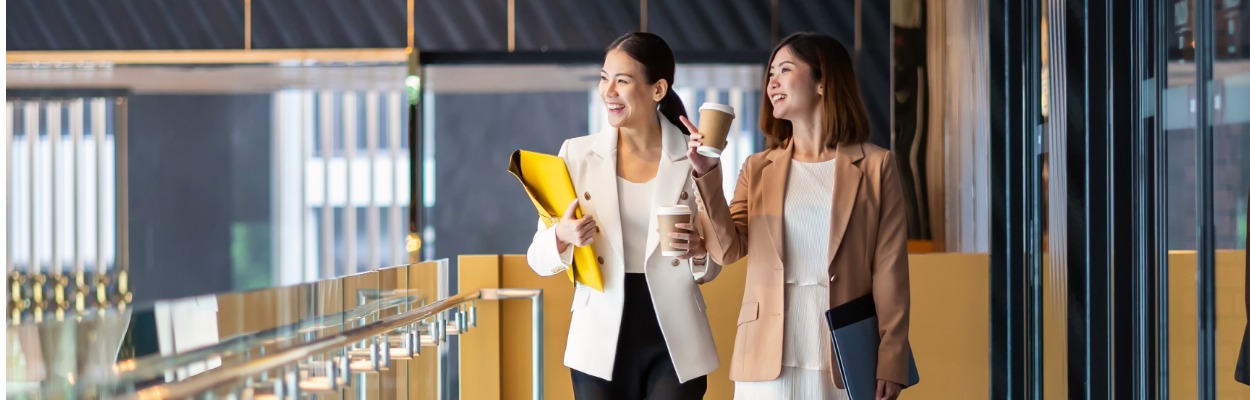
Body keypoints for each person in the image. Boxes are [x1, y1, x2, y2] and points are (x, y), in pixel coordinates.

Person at [683, 32, 912, 400]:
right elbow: (726, 251)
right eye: (770, 73)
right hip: (766, 357)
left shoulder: (875, 166)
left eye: (785, 70)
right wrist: (707, 172)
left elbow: (890, 271)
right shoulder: (758, 168)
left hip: (845, 356)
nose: (772, 81)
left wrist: (892, 357)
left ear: (823, 83)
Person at [526, 32, 720, 400]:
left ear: (657, 89)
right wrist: (562, 236)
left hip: (676, 337)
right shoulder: (576, 155)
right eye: (604, 77)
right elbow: (537, 258)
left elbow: (713, 265)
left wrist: (698, 250)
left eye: (622, 80)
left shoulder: (691, 156)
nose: (608, 91)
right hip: (598, 339)